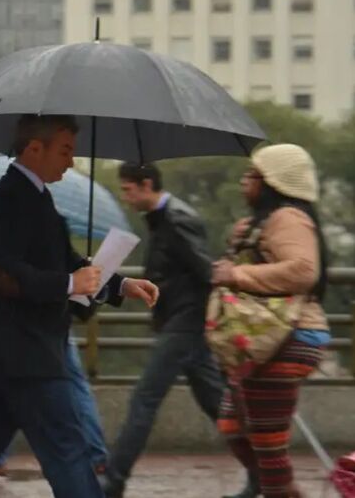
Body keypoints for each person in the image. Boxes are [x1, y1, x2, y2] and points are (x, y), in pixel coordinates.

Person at [0, 115, 160, 498]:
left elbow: (68, 261)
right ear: (34, 149)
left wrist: (119, 285)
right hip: (28, 352)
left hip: (14, 351)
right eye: (65, 151)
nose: (71, 162)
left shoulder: (37, 196)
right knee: (67, 450)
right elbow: (0, 274)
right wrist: (68, 284)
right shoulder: (9, 198)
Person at [211, 144, 331, 498]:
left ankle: (282, 490)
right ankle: (286, 490)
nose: (243, 182)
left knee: (268, 446)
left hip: (288, 339)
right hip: (267, 340)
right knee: (236, 427)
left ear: (272, 182)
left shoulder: (288, 218)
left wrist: (238, 272)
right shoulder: (265, 221)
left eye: (252, 176)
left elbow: (303, 270)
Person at [100, 163, 225, 497]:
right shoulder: (162, 220)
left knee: (145, 398)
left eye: (128, 189)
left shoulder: (177, 219)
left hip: (184, 323)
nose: (125, 197)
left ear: (146, 184)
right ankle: (265, 469)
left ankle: (113, 480)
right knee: (218, 404)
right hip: (180, 324)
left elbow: (204, 272)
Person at [0, 300, 108, 482]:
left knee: (8, 381)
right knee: (74, 385)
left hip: (27, 315)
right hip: (53, 310)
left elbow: (21, 277)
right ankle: (93, 455)